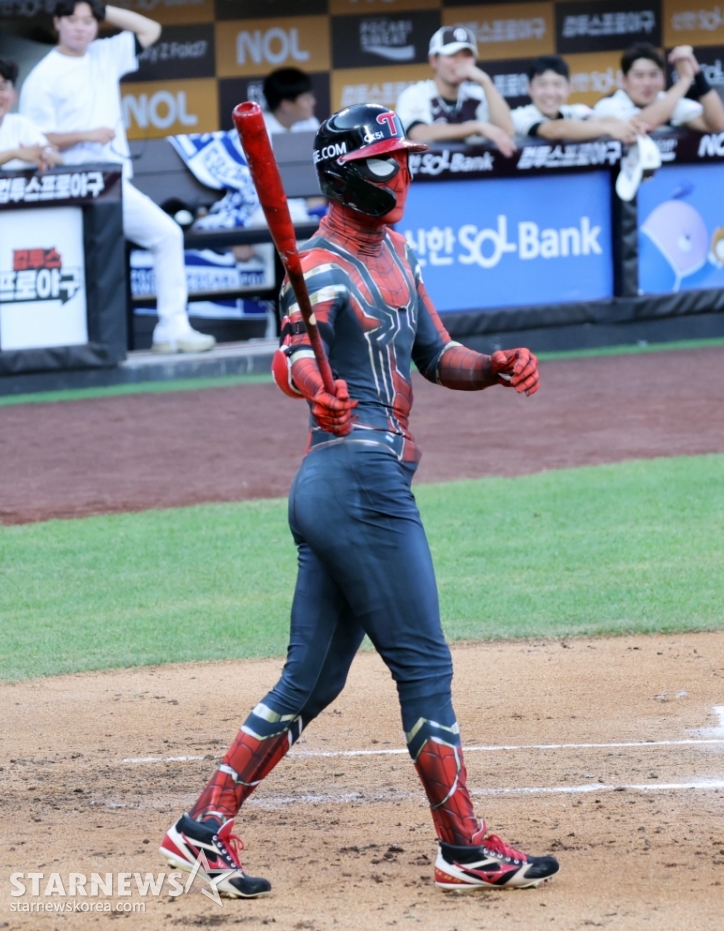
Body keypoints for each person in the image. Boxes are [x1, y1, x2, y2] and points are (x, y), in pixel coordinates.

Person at [159, 104, 559, 897]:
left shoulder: (398, 253)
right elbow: (290, 353)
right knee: (424, 662)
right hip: (357, 481)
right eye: (383, 163)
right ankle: (463, 845)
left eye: (402, 160)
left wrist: (494, 365)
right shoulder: (316, 266)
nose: (399, 175)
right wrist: (316, 385)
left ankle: (201, 825)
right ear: (345, 176)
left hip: (350, 487)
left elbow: (437, 354)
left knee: (312, 680)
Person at [20, 0, 215, 354]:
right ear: (57, 23)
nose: (81, 27)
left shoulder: (104, 53)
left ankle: (172, 329)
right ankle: (68, 344)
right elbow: (33, 138)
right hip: (71, 185)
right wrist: (85, 134)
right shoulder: (43, 75)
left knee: (167, 234)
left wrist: (101, 8)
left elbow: (151, 30)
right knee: (78, 261)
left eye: (88, 20)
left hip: (114, 182)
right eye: (72, 19)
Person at [396, 26, 517, 157]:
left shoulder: (479, 94)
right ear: (433, 61)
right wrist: (477, 127)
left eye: (466, 55)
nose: (459, 63)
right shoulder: (415, 94)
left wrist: (486, 81)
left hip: (476, 167)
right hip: (430, 168)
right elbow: (419, 134)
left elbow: (507, 131)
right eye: (451, 55)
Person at [593, 42, 724, 134]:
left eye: (653, 75)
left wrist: (697, 74)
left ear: (663, 79)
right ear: (624, 80)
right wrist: (684, 81)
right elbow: (640, 126)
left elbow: (717, 123)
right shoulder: (607, 106)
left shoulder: (668, 101)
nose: (647, 83)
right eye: (639, 76)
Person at [512, 54, 643, 142]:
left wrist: (625, 126)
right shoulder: (519, 116)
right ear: (529, 88)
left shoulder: (574, 110)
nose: (550, 92)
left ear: (569, 87)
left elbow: (599, 119)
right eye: (542, 84)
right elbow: (556, 130)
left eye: (557, 84)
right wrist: (609, 129)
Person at [262, 67, 320, 135]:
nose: (313, 102)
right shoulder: (259, 129)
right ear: (286, 105)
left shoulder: (311, 123)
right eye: (306, 99)